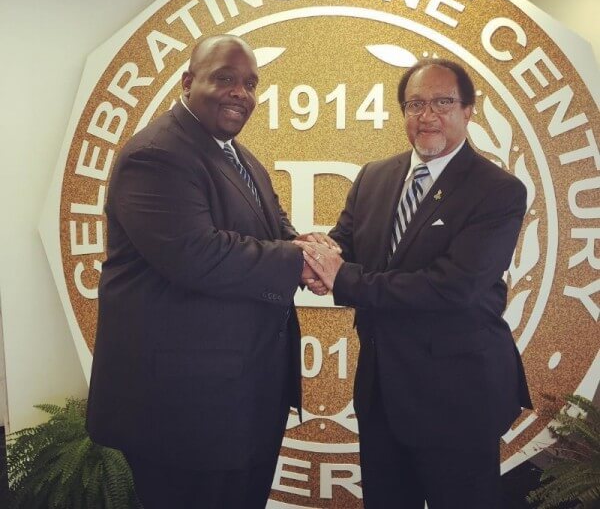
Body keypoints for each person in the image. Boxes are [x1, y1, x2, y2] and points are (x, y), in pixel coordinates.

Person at [86, 34, 332, 509]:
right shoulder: (155, 155)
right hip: (183, 409)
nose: (241, 92)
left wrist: (307, 247)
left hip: (243, 397)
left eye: (250, 83)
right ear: (187, 82)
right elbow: (197, 255)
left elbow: (274, 229)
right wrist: (300, 261)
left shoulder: (242, 159)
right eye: (225, 79)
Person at [297, 58, 532, 509]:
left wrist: (339, 276)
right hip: (383, 391)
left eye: (443, 102)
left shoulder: (498, 191)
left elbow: (451, 287)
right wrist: (308, 252)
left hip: (457, 397)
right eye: (415, 104)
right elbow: (345, 243)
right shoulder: (374, 176)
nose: (427, 116)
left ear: (469, 110)